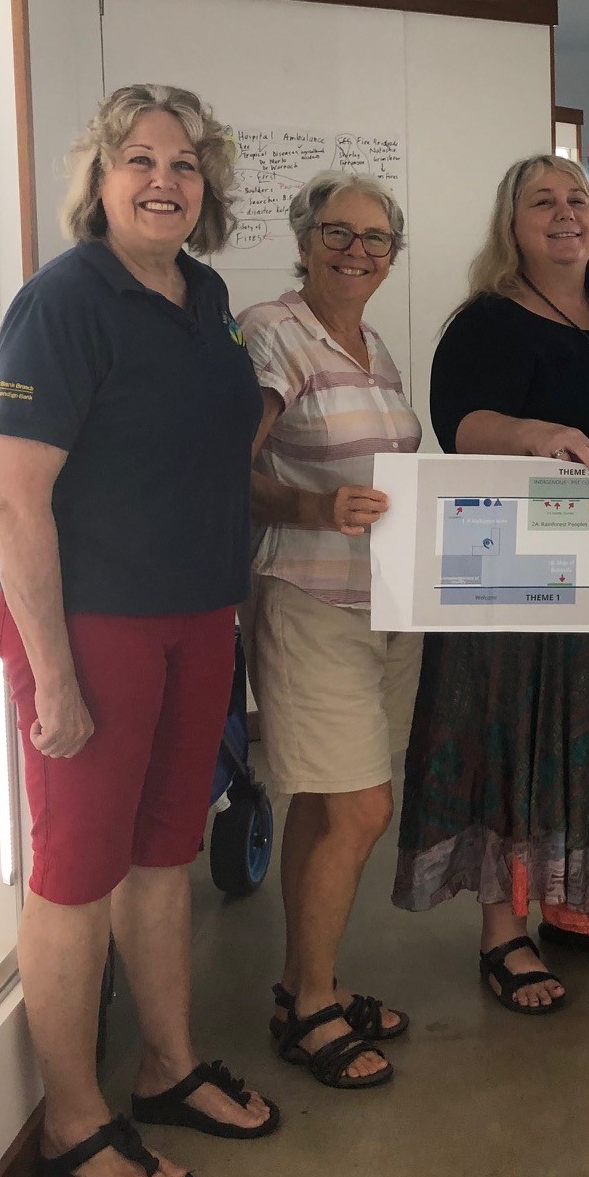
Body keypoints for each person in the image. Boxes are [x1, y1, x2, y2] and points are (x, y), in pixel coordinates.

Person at [0, 85, 276, 1177]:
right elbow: (13, 496)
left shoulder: (207, 296)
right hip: (93, 628)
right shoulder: (64, 302)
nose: (165, 180)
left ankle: (168, 1066)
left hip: (198, 618)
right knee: (74, 875)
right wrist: (53, 676)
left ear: (208, 187)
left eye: (186, 163)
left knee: (165, 857)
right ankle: (72, 1120)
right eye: (140, 160)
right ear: (100, 178)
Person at [392, 154, 589, 1015]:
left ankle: (581, 906)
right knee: (516, 738)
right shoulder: (487, 321)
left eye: (577, 199)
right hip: (523, 575)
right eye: (542, 202)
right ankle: (502, 932)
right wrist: (534, 433)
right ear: (511, 226)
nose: (565, 214)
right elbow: (462, 423)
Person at [239, 172, 419, 1089]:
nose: (356, 250)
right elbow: (229, 466)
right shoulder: (272, 332)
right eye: (337, 233)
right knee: (359, 808)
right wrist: (314, 507)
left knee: (325, 805)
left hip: (384, 606)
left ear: (392, 256)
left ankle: (303, 985)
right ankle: (311, 1009)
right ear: (305, 241)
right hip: (311, 600)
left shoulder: (374, 347)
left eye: (375, 238)